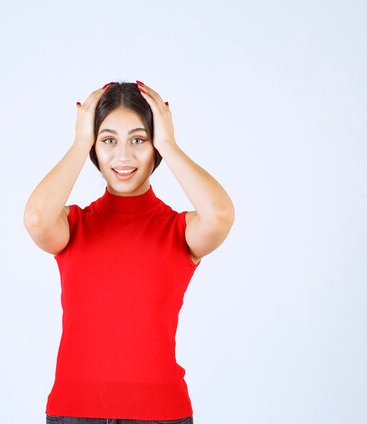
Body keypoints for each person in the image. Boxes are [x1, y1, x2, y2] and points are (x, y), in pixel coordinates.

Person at [24, 81, 235, 424]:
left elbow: (221, 215)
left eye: (139, 140)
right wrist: (80, 142)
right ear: (95, 146)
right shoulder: (73, 225)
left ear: (155, 147)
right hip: (73, 413)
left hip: (161, 414)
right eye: (108, 140)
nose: (123, 156)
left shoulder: (179, 231)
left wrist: (168, 142)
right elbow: (36, 218)